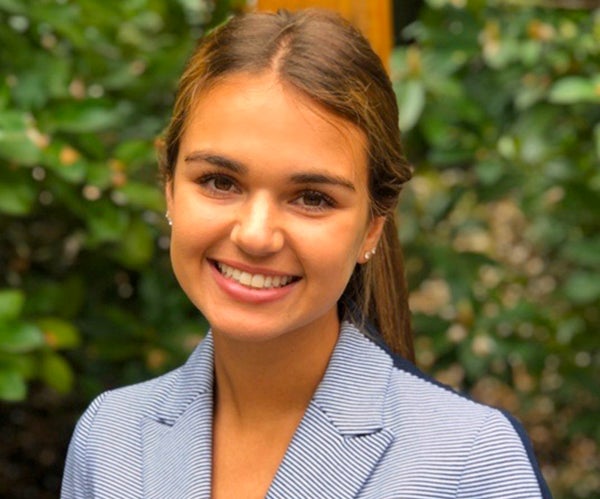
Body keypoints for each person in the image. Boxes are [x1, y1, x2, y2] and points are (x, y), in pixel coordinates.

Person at [62, 9, 551, 499]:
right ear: (169, 189)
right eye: (219, 182)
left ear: (371, 227)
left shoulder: (471, 462)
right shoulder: (109, 440)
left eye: (312, 197)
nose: (256, 235)